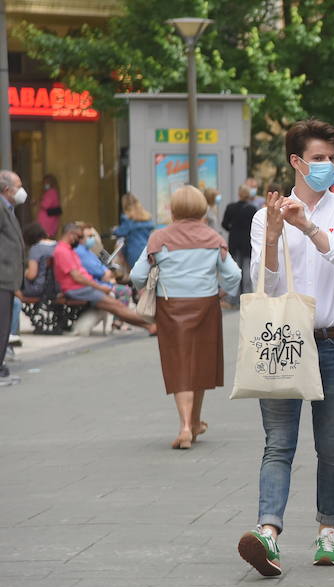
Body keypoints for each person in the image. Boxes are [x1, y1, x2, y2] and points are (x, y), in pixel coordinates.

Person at [238, 118, 334, 577]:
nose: (327, 165)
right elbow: (264, 283)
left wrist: (308, 227)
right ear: (297, 161)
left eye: (332, 158)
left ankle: (327, 530)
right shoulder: (265, 216)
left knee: (331, 445)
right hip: (284, 340)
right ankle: (267, 533)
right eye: (318, 158)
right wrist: (275, 235)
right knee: (278, 443)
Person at [130, 186, 240, 449]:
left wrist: (147, 288)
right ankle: (195, 421)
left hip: (171, 307)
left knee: (179, 365)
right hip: (206, 305)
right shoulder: (212, 237)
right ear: (202, 209)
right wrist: (222, 291)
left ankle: (186, 427)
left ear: (173, 209)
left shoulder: (159, 238)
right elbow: (234, 275)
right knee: (200, 364)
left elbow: (136, 275)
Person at [50, 222, 154, 332]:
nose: (80, 240)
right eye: (79, 236)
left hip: (83, 288)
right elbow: (77, 277)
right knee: (116, 307)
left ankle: (150, 326)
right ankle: (152, 324)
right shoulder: (63, 251)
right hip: (78, 289)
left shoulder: (68, 250)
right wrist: (99, 287)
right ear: (71, 234)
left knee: (117, 306)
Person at [0, 171, 25, 382]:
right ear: (7, 189)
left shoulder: (8, 208)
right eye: (18, 186)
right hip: (2, 276)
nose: (22, 190)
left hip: (8, 278)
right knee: (1, 324)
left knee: (4, 323)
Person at [220, 185, 258, 301]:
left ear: (239, 194)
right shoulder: (252, 209)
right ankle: (247, 296)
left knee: (235, 269)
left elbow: (224, 224)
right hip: (247, 242)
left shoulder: (230, 207)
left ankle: (234, 297)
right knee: (247, 269)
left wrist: (232, 229)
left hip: (234, 242)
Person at [112, 193, 156, 279]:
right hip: (147, 252)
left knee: (136, 277)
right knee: (146, 277)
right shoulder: (146, 217)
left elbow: (121, 232)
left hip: (134, 252)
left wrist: (114, 230)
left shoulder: (128, 219)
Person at [37, 174, 61, 238]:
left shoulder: (51, 192)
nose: (44, 184)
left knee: (46, 236)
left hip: (47, 220)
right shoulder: (53, 192)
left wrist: (39, 201)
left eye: (46, 182)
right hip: (49, 219)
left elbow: (45, 205)